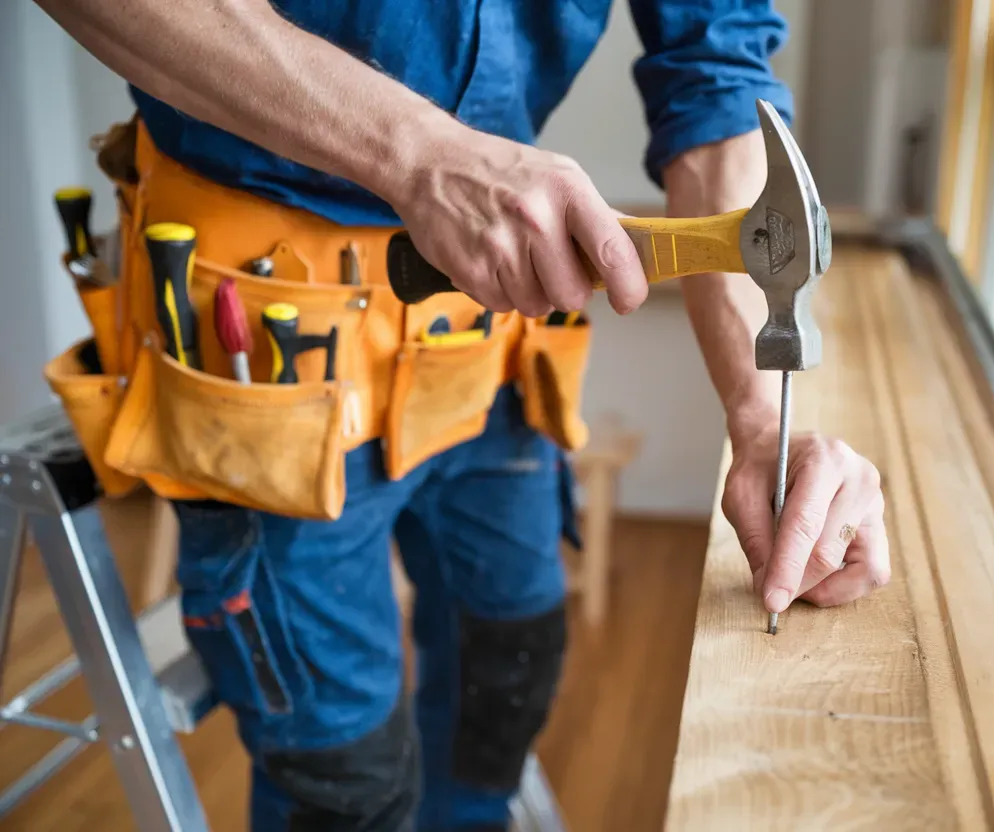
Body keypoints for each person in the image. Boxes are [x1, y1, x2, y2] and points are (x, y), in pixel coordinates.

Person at [37, 1, 891, 829]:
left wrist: (759, 417)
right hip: (269, 354)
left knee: (505, 686)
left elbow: (715, 82)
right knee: (344, 787)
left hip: (484, 341)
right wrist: (417, 155)